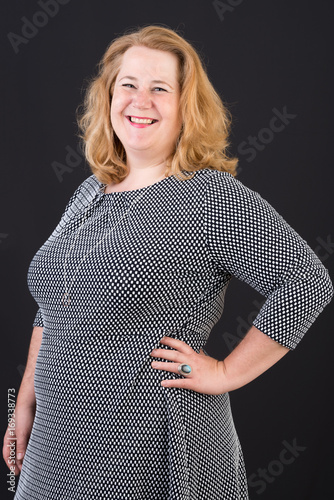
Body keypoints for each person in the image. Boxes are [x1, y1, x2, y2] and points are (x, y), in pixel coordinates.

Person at [3, 24, 333, 500]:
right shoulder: (90, 191)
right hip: (55, 454)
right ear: (109, 97)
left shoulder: (209, 198)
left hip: (155, 455)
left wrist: (224, 373)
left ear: (186, 106)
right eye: (129, 86)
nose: (141, 100)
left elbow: (307, 281)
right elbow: (54, 305)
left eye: (160, 88)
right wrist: (27, 401)